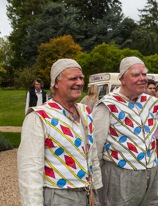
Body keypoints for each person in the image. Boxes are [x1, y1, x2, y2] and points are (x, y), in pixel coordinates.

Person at [18, 59, 102, 206]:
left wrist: (96, 191)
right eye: (73, 78)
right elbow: (29, 170)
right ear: (56, 83)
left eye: (81, 78)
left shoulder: (85, 111)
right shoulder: (38, 116)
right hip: (58, 196)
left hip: (87, 193)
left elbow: (92, 155)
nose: (80, 82)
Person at [93, 56, 158, 206]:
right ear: (122, 79)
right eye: (136, 75)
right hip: (120, 173)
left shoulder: (152, 102)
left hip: (152, 171)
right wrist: (96, 185)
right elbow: (95, 148)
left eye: (144, 74)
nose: (142, 78)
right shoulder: (107, 105)